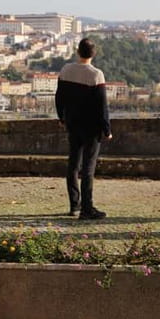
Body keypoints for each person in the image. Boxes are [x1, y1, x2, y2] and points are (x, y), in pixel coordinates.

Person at [55, 38, 112, 220]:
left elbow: (59, 97)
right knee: (88, 167)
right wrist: (107, 129)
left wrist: (61, 117)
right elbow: (102, 106)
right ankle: (87, 209)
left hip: (73, 123)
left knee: (73, 164)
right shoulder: (96, 75)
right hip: (91, 127)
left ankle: (74, 205)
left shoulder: (66, 70)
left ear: (78, 51)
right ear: (93, 54)